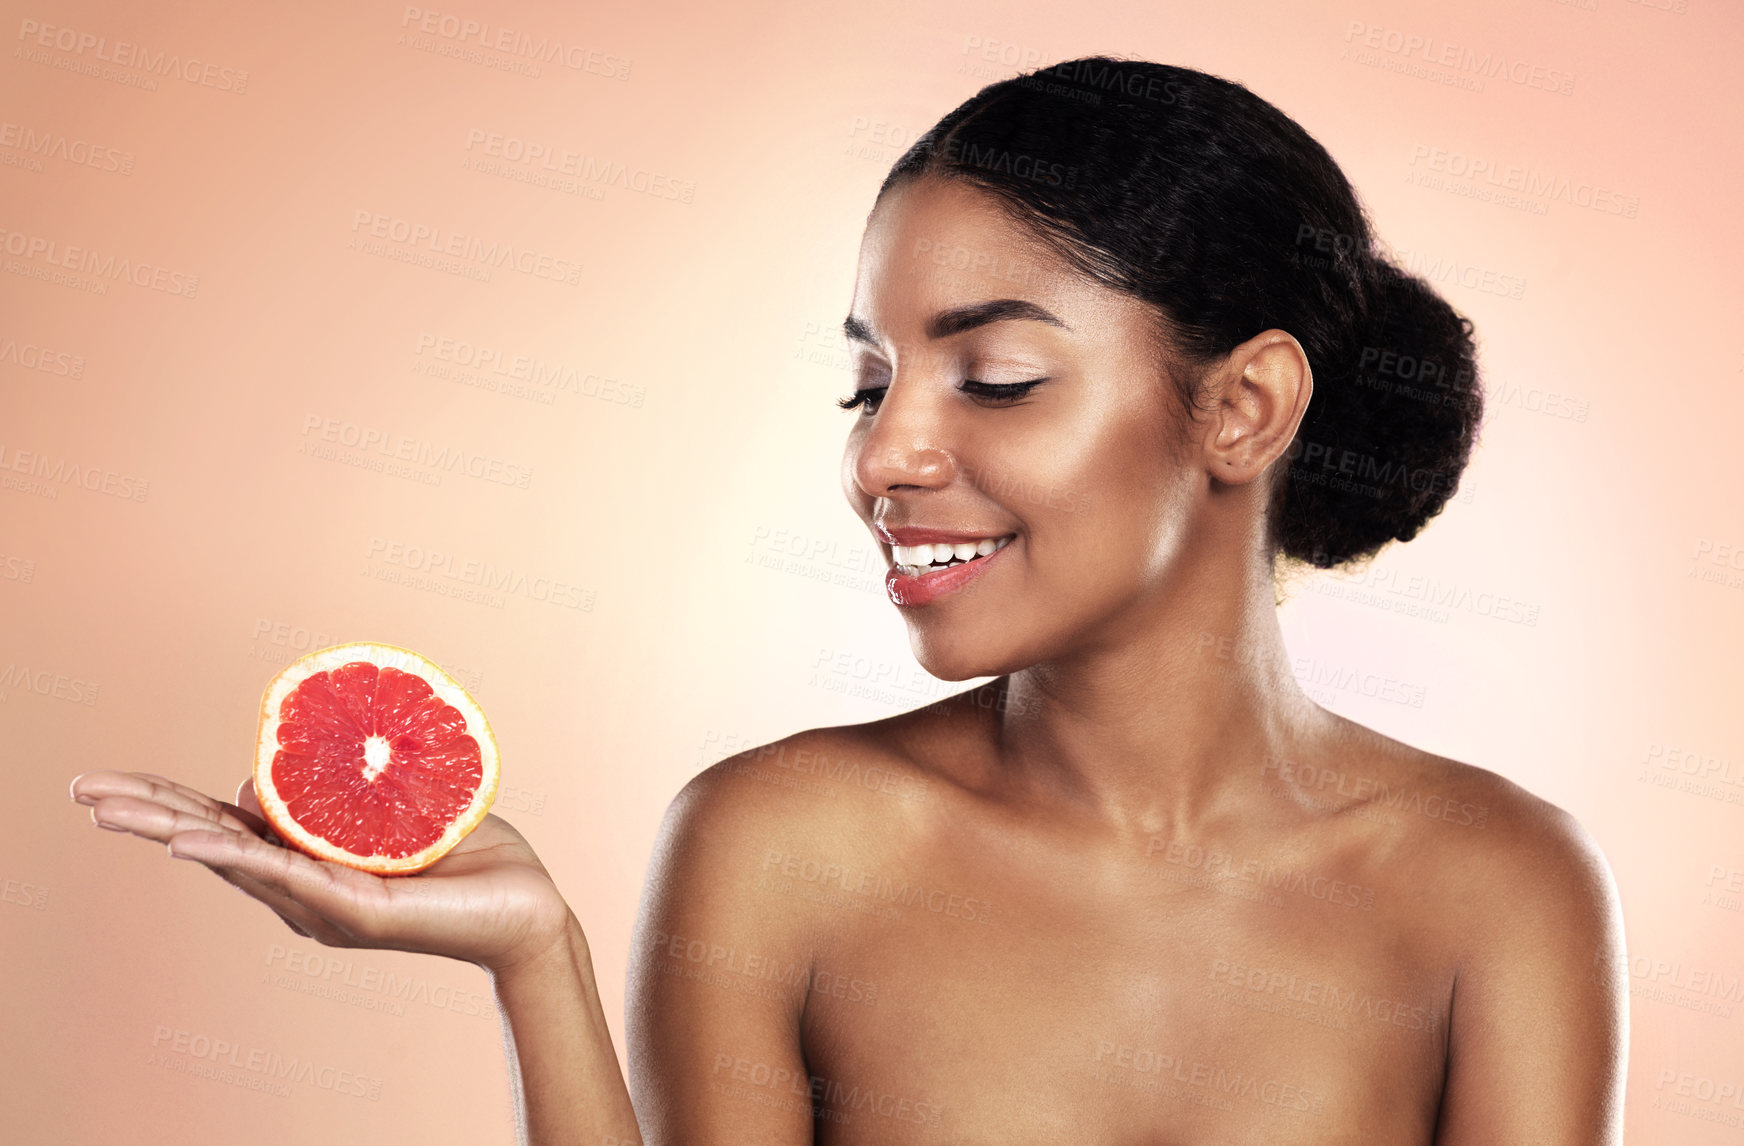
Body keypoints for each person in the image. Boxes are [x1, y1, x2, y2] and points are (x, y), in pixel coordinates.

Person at [70, 57, 1626, 1144]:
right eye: (867, 380)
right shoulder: (783, 845)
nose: (887, 453)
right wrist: (532, 957)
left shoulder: (1498, 886)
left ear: (1243, 408)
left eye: (995, 375)